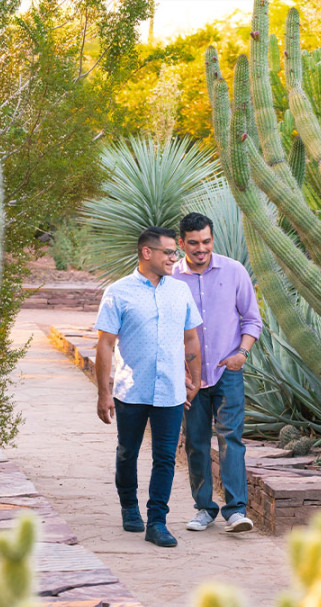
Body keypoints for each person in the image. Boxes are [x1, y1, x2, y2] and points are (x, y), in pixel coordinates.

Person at [94, 227, 203, 548]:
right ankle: (129, 506)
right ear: (147, 253)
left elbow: (191, 338)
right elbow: (105, 344)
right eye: (169, 252)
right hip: (132, 391)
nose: (175, 257)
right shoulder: (118, 292)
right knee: (127, 452)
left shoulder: (180, 291)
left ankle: (157, 521)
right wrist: (103, 393)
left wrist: (194, 380)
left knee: (165, 458)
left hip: (170, 391)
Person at [172, 212, 263, 533]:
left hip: (228, 372)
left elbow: (252, 319)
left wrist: (242, 353)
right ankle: (204, 509)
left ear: (213, 239)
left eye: (206, 242)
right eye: (194, 243)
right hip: (189, 377)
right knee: (196, 442)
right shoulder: (170, 278)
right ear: (181, 242)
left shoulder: (233, 271)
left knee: (231, 439)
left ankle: (236, 510)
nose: (201, 248)